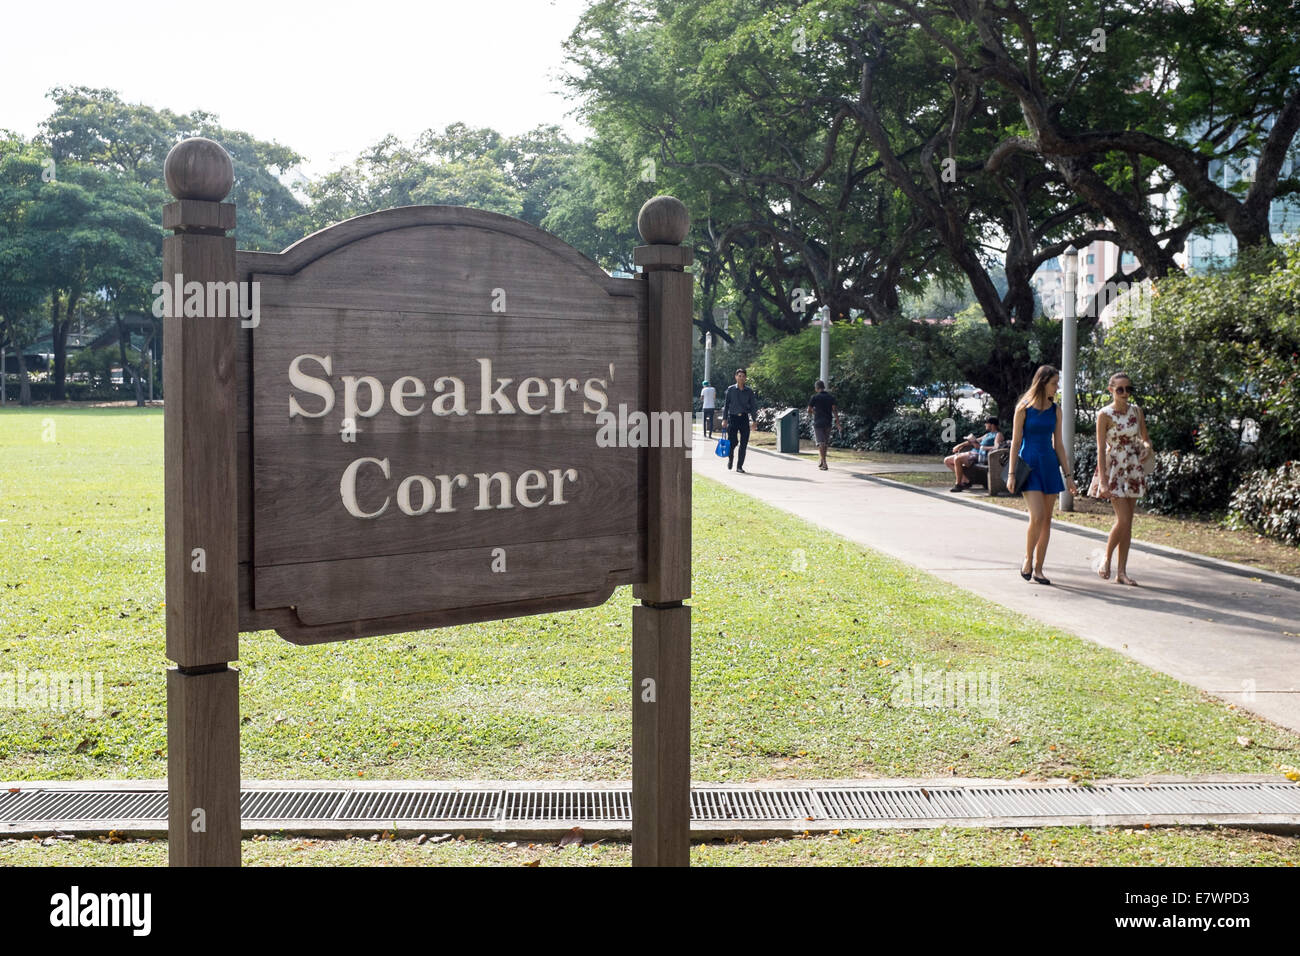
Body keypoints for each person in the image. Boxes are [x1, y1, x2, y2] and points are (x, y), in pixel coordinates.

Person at [1006, 365, 1078, 584]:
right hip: (1029, 465)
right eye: (1054, 383)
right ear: (1042, 382)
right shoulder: (1023, 408)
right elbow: (1015, 442)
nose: (1057, 387)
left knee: (1046, 520)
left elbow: (1059, 445)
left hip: (1048, 465)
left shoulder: (1055, 409)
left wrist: (1068, 475)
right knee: (1036, 516)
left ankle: (1039, 569)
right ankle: (1028, 559)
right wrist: (1011, 473)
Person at [1092, 372, 1152, 586]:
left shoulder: (1137, 411)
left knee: (1129, 522)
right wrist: (1104, 480)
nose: (1125, 393)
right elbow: (1100, 448)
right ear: (1111, 390)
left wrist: (1145, 448)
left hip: (1133, 467)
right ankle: (1107, 558)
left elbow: (1145, 439)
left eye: (1128, 389)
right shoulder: (1104, 414)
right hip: (1114, 467)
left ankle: (1122, 572)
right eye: (1120, 389)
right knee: (1123, 520)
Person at [945, 417, 1004, 492]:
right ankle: (966, 480)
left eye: (986, 423)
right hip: (972, 452)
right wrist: (960, 445)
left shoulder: (998, 434)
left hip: (980, 455)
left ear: (991, 424)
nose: (985, 425)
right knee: (947, 460)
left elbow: (996, 447)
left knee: (958, 459)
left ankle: (958, 484)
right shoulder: (987, 435)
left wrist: (981, 447)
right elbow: (973, 441)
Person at [722, 367, 759, 473]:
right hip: (732, 418)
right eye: (739, 376)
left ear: (745, 378)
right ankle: (730, 459)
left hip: (744, 418)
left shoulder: (749, 391)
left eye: (743, 376)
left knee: (744, 444)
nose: (741, 378)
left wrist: (754, 421)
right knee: (733, 442)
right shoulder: (730, 389)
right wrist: (724, 419)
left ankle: (739, 466)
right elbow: (726, 405)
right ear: (736, 377)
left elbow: (753, 407)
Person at [805, 380, 840, 470]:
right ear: (823, 387)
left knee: (821, 443)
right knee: (825, 443)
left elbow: (809, 409)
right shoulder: (831, 397)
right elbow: (834, 410)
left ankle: (824, 463)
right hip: (828, 422)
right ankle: (821, 459)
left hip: (818, 422)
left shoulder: (815, 397)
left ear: (816, 388)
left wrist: (815, 412)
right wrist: (838, 422)